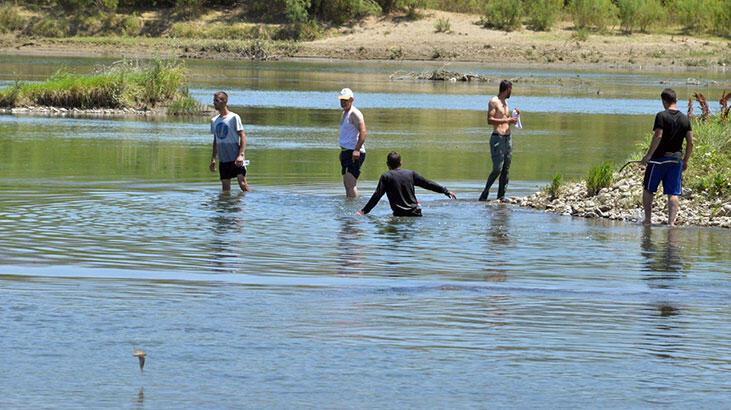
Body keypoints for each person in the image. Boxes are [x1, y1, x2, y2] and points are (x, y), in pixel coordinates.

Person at [641, 88, 694, 226]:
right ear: (675, 100)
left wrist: (648, 156)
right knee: (673, 193)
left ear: (664, 101)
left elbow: (658, 135)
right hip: (676, 160)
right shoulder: (685, 119)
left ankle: (647, 220)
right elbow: (691, 142)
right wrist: (686, 160)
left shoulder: (661, 116)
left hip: (658, 160)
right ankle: (671, 223)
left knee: (648, 189)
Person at [356, 152, 456, 217]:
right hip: (415, 213)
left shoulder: (386, 177)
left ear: (387, 164)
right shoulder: (411, 174)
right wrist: (445, 191)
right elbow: (428, 184)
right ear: (401, 163)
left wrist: (364, 211)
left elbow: (377, 196)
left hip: (399, 214)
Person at [479, 80, 520, 202]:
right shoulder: (494, 101)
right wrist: (507, 120)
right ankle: (484, 193)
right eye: (510, 90)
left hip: (508, 138)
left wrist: (515, 115)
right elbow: (490, 120)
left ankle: (501, 196)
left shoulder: (506, 103)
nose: (511, 92)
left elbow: (505, 118)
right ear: (507, 89)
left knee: (506, 169)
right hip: (498, 138)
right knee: (497, 168)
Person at [209, 91, 249, 192]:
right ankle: (226, 206)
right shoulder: (214, 121)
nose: (214, 103)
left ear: (224, 102)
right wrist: (213, 159)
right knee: (225, 190)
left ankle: (246, 205)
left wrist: (241, 154)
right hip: (223, 159)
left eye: (216, 101)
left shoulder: (234, 117)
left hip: (236, 158)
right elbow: (215, 140)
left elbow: (243, 136)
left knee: (243, 184)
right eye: (214, 101)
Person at [338, 88, 367, 198]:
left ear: (352, 99)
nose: (343, 102)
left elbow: (363, 132)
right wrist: (343, 152)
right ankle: (350, 207)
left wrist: (356, 149)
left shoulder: (354, 113)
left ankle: (354, 210)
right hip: (347, 152)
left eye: (346, 100)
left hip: (354, 152)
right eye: (341, 99)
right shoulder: (345, 113)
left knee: (350, 184)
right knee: (347, 184)